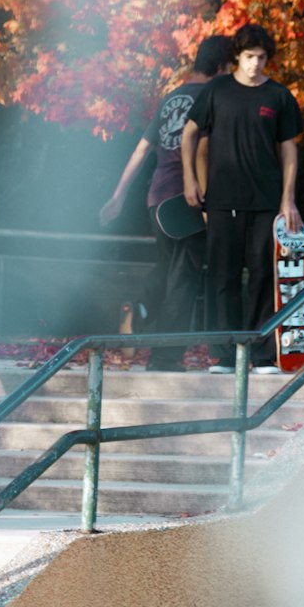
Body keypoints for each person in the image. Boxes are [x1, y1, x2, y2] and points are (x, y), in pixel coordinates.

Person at [100, 36, 235, 370]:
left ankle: (141, 307)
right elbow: (207, 149)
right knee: (184, 279)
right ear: (220, 68)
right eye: (230, 68)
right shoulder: (213, 96)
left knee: (169, 266)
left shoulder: (171, 98)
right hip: (188, 198)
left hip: (156, 198)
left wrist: (118, 195)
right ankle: (165, 357)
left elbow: (141, 150)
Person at [181, 23, 304, 374]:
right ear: (237, 56)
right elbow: (189, 134)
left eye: (262, 58)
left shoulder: (279, 96)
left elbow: (290, 152)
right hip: (222, 200)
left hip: (266, 201)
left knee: (265, 274)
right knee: (223, 276)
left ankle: (262, 354)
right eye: (249, 57)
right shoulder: (217, 90)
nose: (255, 64)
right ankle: (223, 354)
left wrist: (288, 200)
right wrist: (190, 179)